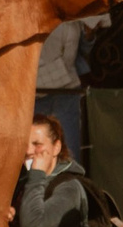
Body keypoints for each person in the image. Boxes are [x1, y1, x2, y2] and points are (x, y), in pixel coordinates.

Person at [32, 17, 87, 171]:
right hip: (36, 90)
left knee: (68, 152)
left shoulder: (73, 21)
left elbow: (85, 48)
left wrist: (89, 34)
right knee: (35, 150)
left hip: (67, 92)